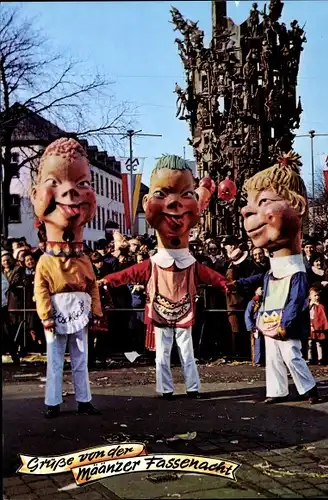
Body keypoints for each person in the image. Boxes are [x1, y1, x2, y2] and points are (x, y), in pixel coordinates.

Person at [100, 155, 232, 399]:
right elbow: (129, 273)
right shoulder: (155, 263)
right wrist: (109, 280)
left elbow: (211, 275)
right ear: (146, 202)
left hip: (182, 308)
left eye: (185, 195)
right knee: (163, 352)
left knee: (186, 351)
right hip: (162, 309)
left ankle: (190, 387)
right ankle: (168, 388)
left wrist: (225, 283)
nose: (174, 204)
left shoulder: (189, 264)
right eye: (162, 194)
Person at [239, 151, 319, 404]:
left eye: (263, 201)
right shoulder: (272, 270)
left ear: (297, 206)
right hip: (269, 315)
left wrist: (288, 320)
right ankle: (276, 390)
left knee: (291, 352)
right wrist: (236, 284)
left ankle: (309, 387)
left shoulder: (297, 272)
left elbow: (296, 299)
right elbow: (262, 278)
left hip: (285, 319)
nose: (246, 211)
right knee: (272, 354)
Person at [31, 137, 103, 418]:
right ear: (36, 194)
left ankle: (84, 400)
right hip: (58, 310)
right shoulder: (46, 262)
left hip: (79, 309)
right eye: (55, 182)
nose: (70, 191)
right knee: (55, 357)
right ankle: (53, 402)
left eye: (82, 183)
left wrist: (95, 310)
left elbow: (92, 285)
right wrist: (46, 314)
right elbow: (41, 289)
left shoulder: (83, 259)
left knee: (81, 357)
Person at [308, 287, 328, 365]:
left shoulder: (320, 306)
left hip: (317, 326)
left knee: (318, 343)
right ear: (310, 297)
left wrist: (318, 305)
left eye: (317, 295)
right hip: (309, 325)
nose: (316, 297)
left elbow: (323, 315)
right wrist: (310, 305)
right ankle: (310, 358)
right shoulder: (308, 306)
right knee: (309, 343)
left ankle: (320, 358)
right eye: (314, 295)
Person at [244, 286, 264, 366]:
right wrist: (251, 326)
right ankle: (257, 360)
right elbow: (247, 315)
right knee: (257, 343)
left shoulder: (265, 302)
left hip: (265, 323)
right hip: (256, 325)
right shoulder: (252, 303)